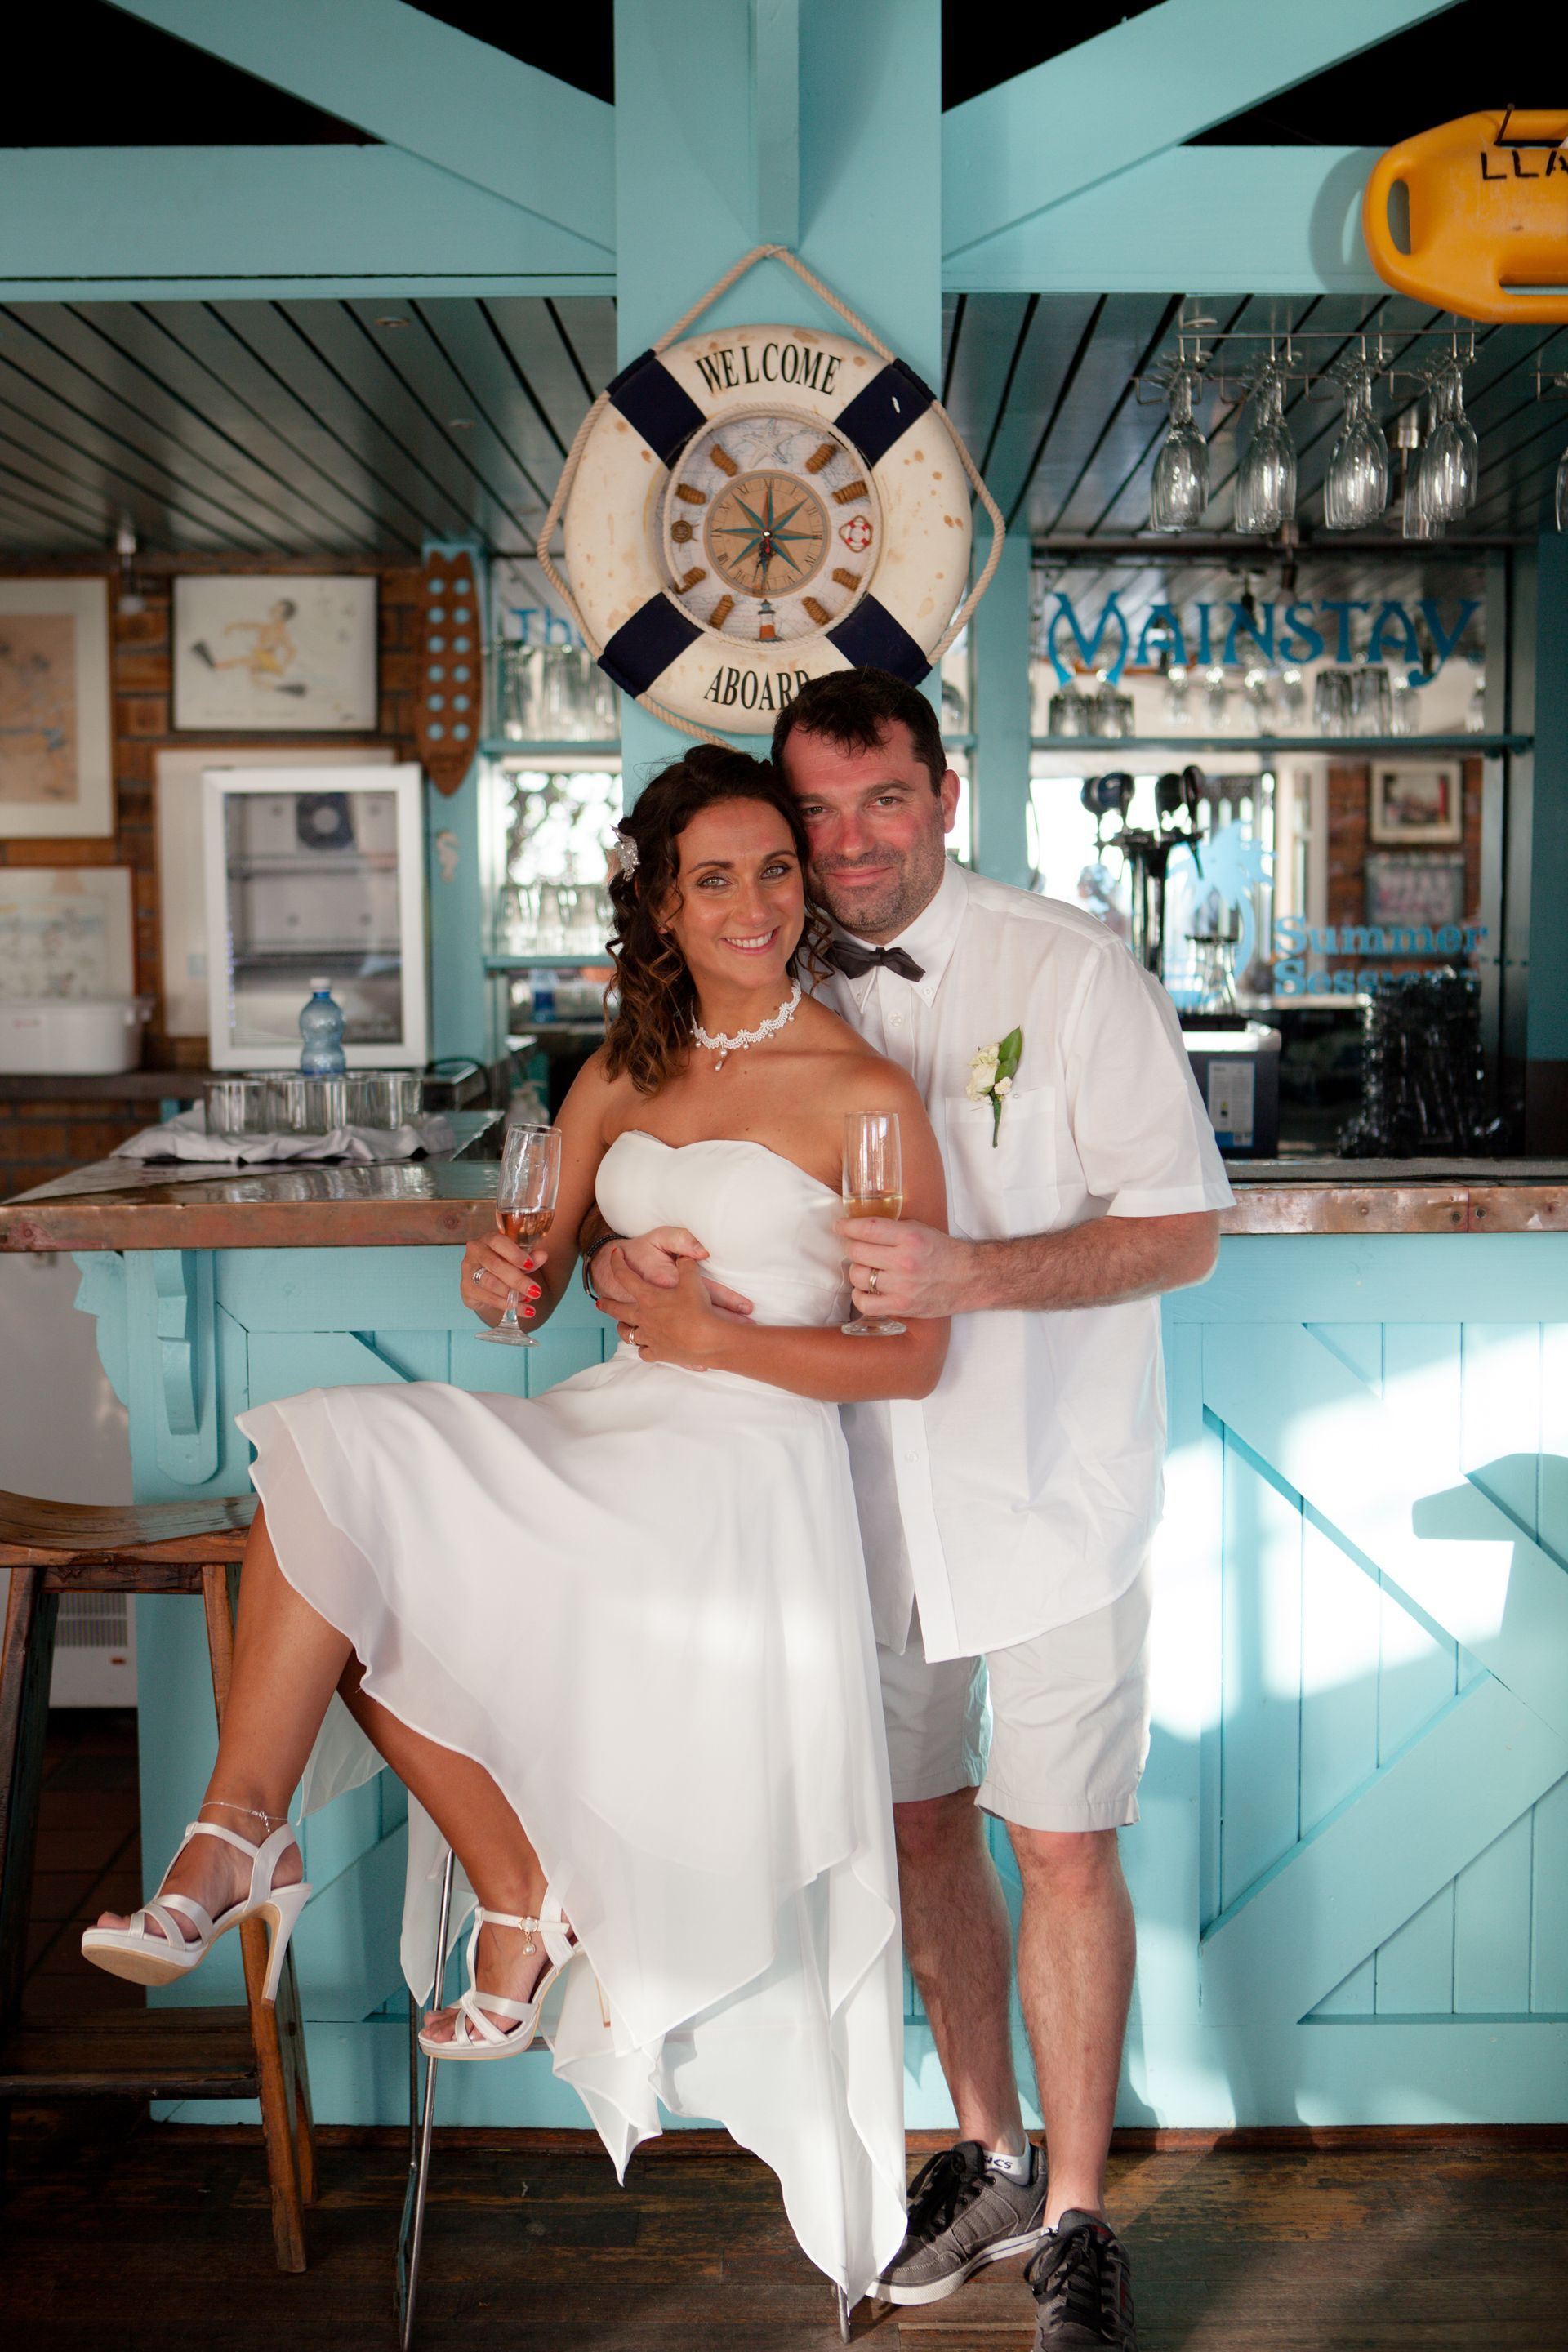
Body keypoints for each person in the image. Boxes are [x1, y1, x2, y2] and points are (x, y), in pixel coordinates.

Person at [82, 745, 952, 2300]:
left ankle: (336, 1865)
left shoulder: (865, 1090)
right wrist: (505, 1282)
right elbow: (519, 1281)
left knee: (352, 1513)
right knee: (333, 1476)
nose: (757, 902)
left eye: (775, 869)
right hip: (613, 1428)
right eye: (717, 877)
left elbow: (915, 1352)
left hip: (749, 1474)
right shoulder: (617, 1072)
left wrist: (716, 1341)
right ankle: (277, 1834)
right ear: (660, 906)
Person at [585, 670, 1232, 2350]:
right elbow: (639, 1160)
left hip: (1045, 1485)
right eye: (819, 814)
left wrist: (973, 1273)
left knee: (1064, 1840)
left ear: (944, 797)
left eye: (885, 802)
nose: (850, 843)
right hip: (841, 1492)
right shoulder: (750, 968)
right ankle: (989, 2153)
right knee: (924, 1824)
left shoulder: (1069, 967)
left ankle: (1081, 2215)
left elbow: (1180, 1229)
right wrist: (599, 1249)